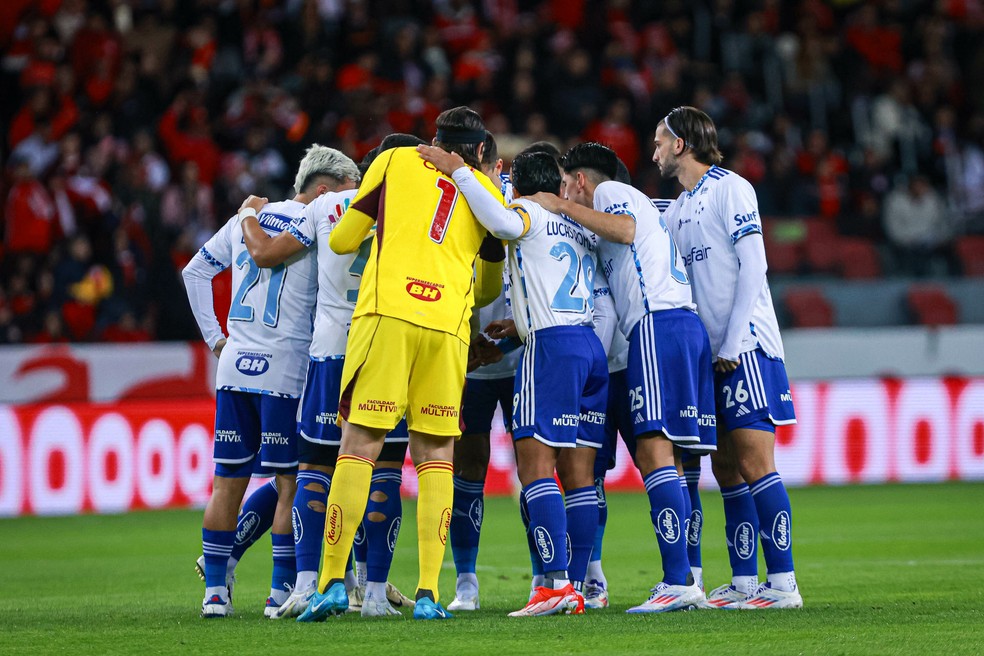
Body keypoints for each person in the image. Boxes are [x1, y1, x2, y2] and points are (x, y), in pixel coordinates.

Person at [296, 106, 505, 622]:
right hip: (448, 328)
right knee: (436, 453)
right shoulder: (487, 191)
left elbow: (344, 239)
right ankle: (431, 593)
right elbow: (491, 288)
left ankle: (330, 584)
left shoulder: (392, 161)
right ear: (479, 150)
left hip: (387, 315)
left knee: (360, 443)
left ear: (433, 138)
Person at [417, 146, 612, 617]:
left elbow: (504, 225)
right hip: (587, 343)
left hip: (550, 350)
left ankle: (554, 585)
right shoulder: (578, 223)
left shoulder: (526, 208)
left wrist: (458, 171)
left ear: (517, 184)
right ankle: (578, 583)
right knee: (580, 477)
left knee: (535, 469)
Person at [234, 138, 423, 619]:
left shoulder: (325, 204)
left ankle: (305, 585)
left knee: (315, 469)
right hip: (388, 349)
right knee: (383, 471)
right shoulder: (418, 206)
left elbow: (269, 255)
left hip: (331, 351)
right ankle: (375, 594)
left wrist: (248, 216)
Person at [528, 142, 716, 614]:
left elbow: (627, 230)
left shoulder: (613, 193)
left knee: (655, 453)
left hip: (655, 325)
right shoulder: (612, 223)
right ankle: (683, 576)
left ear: (581, 182)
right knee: (666, 456)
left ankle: (679, 579)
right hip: (677, 326)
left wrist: (556, 204)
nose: (565, 192)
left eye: (568, 184)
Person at [182, 146, 357, 618]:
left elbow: (194, 271)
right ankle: (281, 592)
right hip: (288, 368)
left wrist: (217, 340)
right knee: (291, 481)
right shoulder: (320, 226)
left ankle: (215, 591)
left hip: (235, 365)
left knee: (227, 481)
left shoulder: (249, 218)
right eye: (347, 192)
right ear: (324, 191)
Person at [653, 106, 802, 609]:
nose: (653, 150)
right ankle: (743, 582)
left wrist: (735, 340)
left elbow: (755, 264)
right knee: (726, 469)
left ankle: (782, 584)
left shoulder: (732, 188)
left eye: (659, 141)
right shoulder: (675, 210)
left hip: (747, 348)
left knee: (757, 462)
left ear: (680, 144)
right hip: (711, 357)